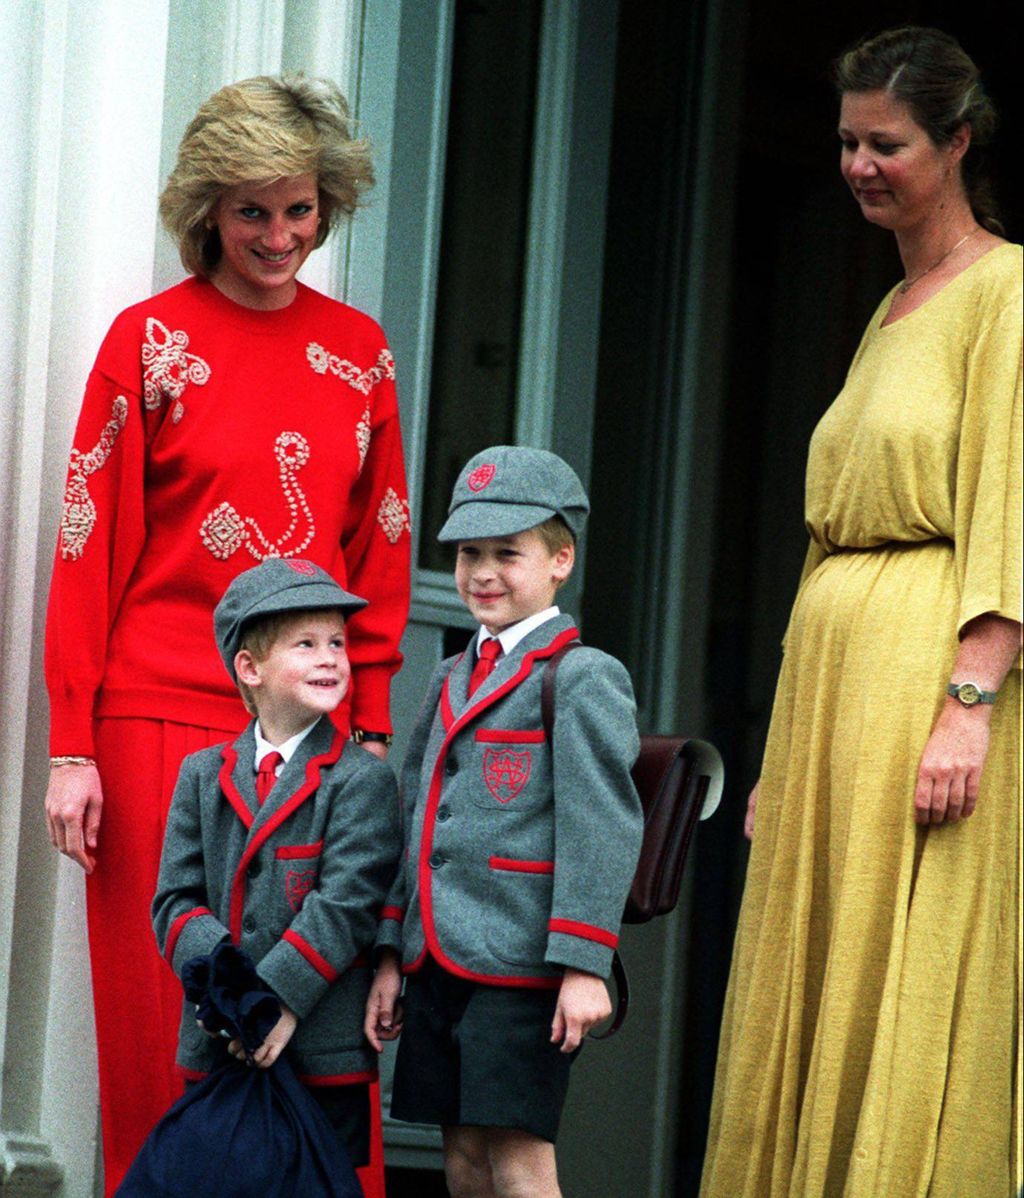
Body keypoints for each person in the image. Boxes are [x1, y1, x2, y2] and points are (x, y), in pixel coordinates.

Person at [43, 75, 410, 1194]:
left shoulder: (360, 355)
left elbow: (380, 563)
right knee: (174, 1024)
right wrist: (71, 744)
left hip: (316, 738)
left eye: (299, 210)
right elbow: (86, 544)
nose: (279, 236)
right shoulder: (146, 343)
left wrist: (377, 731)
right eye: (252, 211)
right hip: (157, 721)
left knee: (319, 1023)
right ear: (207, 208)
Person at [701, 26, 1021, 1198]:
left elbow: (1010, 502)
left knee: (902, 961)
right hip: (835, 678)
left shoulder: (1005, 291)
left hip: (921, 665)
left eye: (885, 143)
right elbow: (828, 533)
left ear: (955, 142)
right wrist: (784, 756)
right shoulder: (890, 306)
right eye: (845, 142)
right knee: (817, 955)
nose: (857, 165)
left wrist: (968, 703)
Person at [364, 446, 645, 1198]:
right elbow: (413, 814)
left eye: (507, 554)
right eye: (467, 554)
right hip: (437, 960)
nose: (482, 572)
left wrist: (586, 961)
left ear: (560, 560)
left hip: (523, 967)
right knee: (462, 1163)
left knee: (520, 1164)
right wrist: (392, 949)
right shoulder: (454, 674)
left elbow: (603, 825)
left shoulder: (583, 676)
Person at [151, 558, 402, 1174]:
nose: (330, 658)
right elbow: (174, 903)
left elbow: (345, 906)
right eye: (307, 644)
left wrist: (276, 1002)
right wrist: (235, 999)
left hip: (320, 1052)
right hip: (220, 1044)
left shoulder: (362, 780)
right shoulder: (201, 776)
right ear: (250, 668)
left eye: (338, 643)